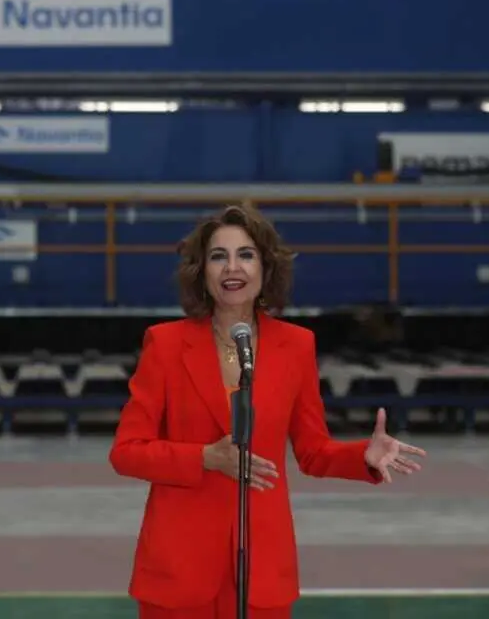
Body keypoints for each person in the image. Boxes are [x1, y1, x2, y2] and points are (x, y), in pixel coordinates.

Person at [109, 201, 426, 619]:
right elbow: (127, 451)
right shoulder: (165, 345)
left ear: (266, 268)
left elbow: (313, 451)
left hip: (261, 569)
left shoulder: (296, 346)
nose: (231, 268)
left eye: (246, 255)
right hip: (179, 567)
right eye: (218, 257)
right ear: (201, 273)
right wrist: (205, 457)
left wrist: (361, 456)